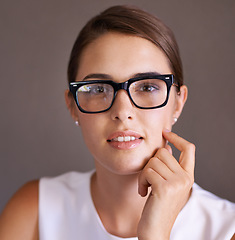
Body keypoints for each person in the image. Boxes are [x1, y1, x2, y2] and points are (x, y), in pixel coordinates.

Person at [0, 5, 234, 240]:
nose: (122, 111)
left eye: (147, 87)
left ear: (177, 103)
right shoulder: (35, 210)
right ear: (72, 106)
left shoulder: (227, 228)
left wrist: (155, 234)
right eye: (98, 89)